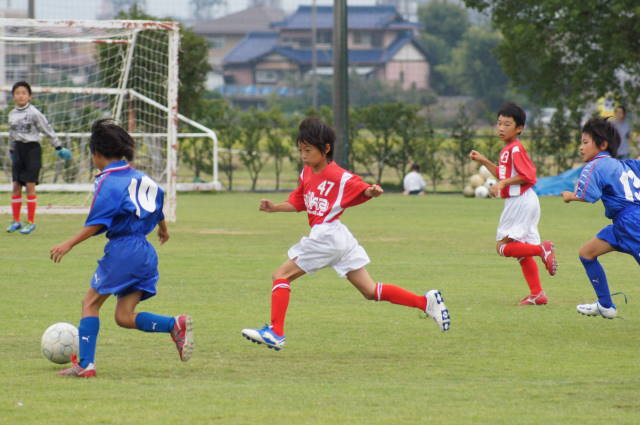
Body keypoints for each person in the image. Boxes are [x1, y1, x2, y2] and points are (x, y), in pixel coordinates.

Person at [241, 118, 450, 351]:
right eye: (300, 150)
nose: (303, 155)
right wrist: (274, 208)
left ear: (326, 149)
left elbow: (360, 187)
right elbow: (300, 201)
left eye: (308, 150)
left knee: (281, 275)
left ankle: (275, 332)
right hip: (338, 237)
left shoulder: (338, 175)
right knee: (370, 291)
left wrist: (371, 191)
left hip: (327, 236)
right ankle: (426, 302)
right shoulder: (306, 173)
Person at [50, 119, 194, 377]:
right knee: (124, 317)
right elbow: (157, 203)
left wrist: (68, 243)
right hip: (145, 251)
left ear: (96, 153)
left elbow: (98, 222)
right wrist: (163, 228)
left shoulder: (108, 181)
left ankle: (85, 364)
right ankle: (174, 324)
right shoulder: (142, 178)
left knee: (90, 303)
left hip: (123, 249)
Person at [469, 102, 557, 305]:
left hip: (520, 201)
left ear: (519, 128)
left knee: (503, 247)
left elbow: (529, 176)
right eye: (499, 123)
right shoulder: (508, 150)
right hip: (523, 201)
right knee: (521, 251)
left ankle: (542, 250)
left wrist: (502, 183)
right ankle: (537, 294)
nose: (501, 128)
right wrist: (484, 161)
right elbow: (504, 175)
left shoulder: (515, 149)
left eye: (507, 124)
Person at [561, 118, 636, 319]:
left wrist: (569, 196)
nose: (581, 147)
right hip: (621, 224)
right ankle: (606, 305)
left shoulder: (595, 165)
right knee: (587, 253)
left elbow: (587, 195)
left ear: (602, 145)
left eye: (585, 142)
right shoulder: (627, 164)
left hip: (632, 224)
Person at [7, 81, 71, 234]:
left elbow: (46, 129)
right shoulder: (11, 114)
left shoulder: (34, 113)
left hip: (32, 150)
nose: (21, 96)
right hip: (18, 150)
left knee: (30, 185)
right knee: (16, 185)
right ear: (13, 96)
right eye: (17, 93)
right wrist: (11, 150)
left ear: (29, 96)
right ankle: (16, 221)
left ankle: (30, 222)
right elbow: (12, 134)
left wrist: (58, 146)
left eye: (24, 93)